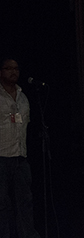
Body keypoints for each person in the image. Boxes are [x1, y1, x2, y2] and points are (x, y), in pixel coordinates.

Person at [0, 57, 41, 238]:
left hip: (20, 156)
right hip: (1, 156)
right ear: (1, 72)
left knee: (25, 202)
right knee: (3, 204)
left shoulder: (23, 96)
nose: (13, 72)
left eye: (16, 68)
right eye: (8, 68)